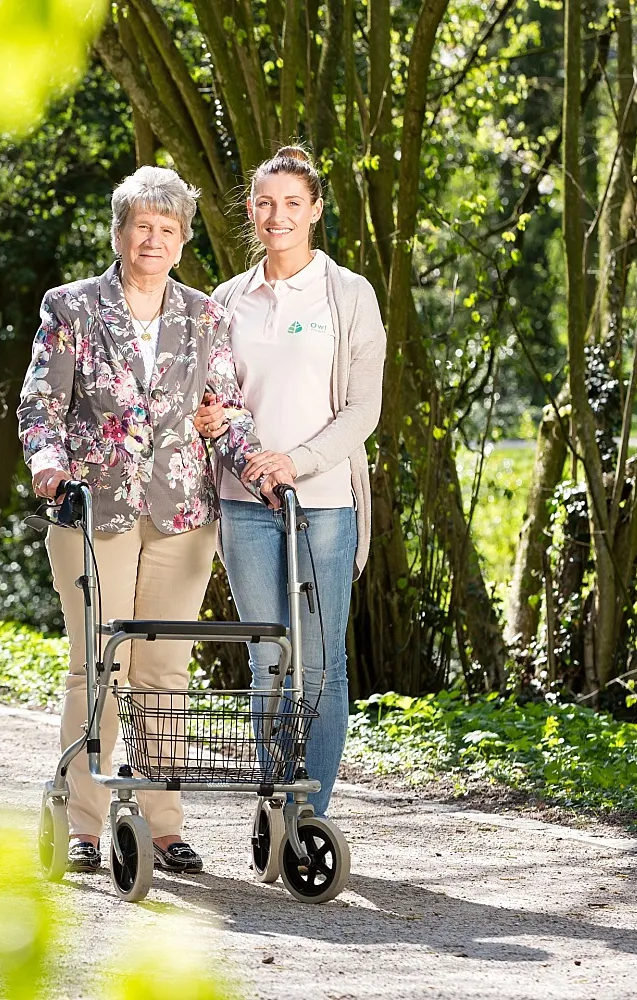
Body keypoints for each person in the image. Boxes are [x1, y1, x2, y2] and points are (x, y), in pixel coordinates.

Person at [17, 165, 285, 874]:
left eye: (168, 228)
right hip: (91, 508)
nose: (154, 239)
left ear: (183, 239)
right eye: (143, 226)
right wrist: (48, 466)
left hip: (181, 511)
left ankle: (162, 825)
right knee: (97, 665)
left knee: (164, 671)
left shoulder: (204, 315)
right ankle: (84, 822)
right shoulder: (71, 307)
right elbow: (40, 405)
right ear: (120, 233)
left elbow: (224, 413)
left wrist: (258, 465)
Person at [195, 146, 386, 816]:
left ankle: (309, 816)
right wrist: (216, 426)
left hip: (325, 504)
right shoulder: (226, 300)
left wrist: (294, 462)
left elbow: (363, 409)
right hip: (244, 504)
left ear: (315, 211)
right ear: (251, 211)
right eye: (266, 203)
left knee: (320, 663)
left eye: (293, 204)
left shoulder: (349, 294)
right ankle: (276, 801)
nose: (278, 216)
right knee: (269, 661)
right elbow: (217, 402)